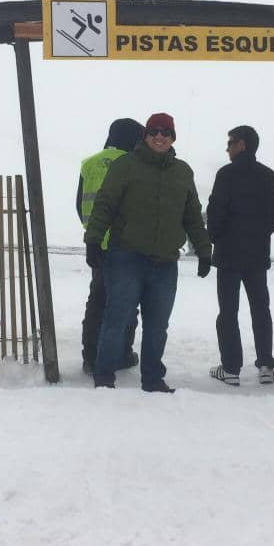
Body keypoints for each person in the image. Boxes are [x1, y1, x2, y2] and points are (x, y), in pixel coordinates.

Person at [84, 112, 212, 392]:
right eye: (154, 131)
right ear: (145, 135)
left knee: (157, 325)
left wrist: (204, 251)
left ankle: (153, 379)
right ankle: (104, 376)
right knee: (117, 318)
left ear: (173, 137)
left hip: (164, 262)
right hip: (126, 257)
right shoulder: (125, 165)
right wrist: (93, 240)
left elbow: (192, 215)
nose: (159, 137)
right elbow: (105, 204)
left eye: (166, 132)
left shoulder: (182, 172)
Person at [206, 125, 274, 386]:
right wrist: (258, 235)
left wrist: (217, 237)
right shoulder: (269, 176)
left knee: (228, 311)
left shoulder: (226, 174)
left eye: (230, 143)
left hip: (228, 255)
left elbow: (215, 211)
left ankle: (230, 368)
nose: (227, 148)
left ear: (241, 144)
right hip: (257, 254)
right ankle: (266, 366)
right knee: (261, 309)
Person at [77, 118, 144, 374]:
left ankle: (90, 356)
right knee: (126, 302)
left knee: (97, 301)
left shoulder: (89, 163)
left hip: (97, 244)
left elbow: (79, 204)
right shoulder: (132, 163)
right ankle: (122, 354)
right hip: (125, 244)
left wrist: (93, 233)